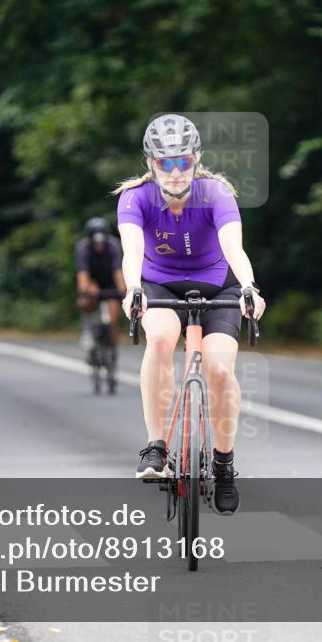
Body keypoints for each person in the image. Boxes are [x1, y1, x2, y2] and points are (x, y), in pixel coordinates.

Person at [116, 114, 266, 514]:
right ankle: (156, 446)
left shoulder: (215, 193)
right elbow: (131, 252)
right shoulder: (135, 198)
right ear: (151, 163)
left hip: (219, 285)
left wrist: (250, 287)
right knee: (161, 339)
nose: (176, 171)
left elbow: (234, 248)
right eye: (166, 162)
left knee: (219, 370)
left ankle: (224, 464)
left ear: (197, 158)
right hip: (159, 284)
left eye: (183, 161)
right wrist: (133, 290)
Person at [75, 217, 125, 350]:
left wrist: (123, 291)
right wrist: (84, 292)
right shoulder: (82, 248)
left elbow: (118, 271)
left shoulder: (114, 245)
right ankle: (87, 331)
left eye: (101, 243)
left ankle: (111, 336)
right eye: (96, 243)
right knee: (86, 300)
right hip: (93, 281)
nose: (99, 246)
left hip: (110, 281)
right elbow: (83, 273)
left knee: (113, 312)